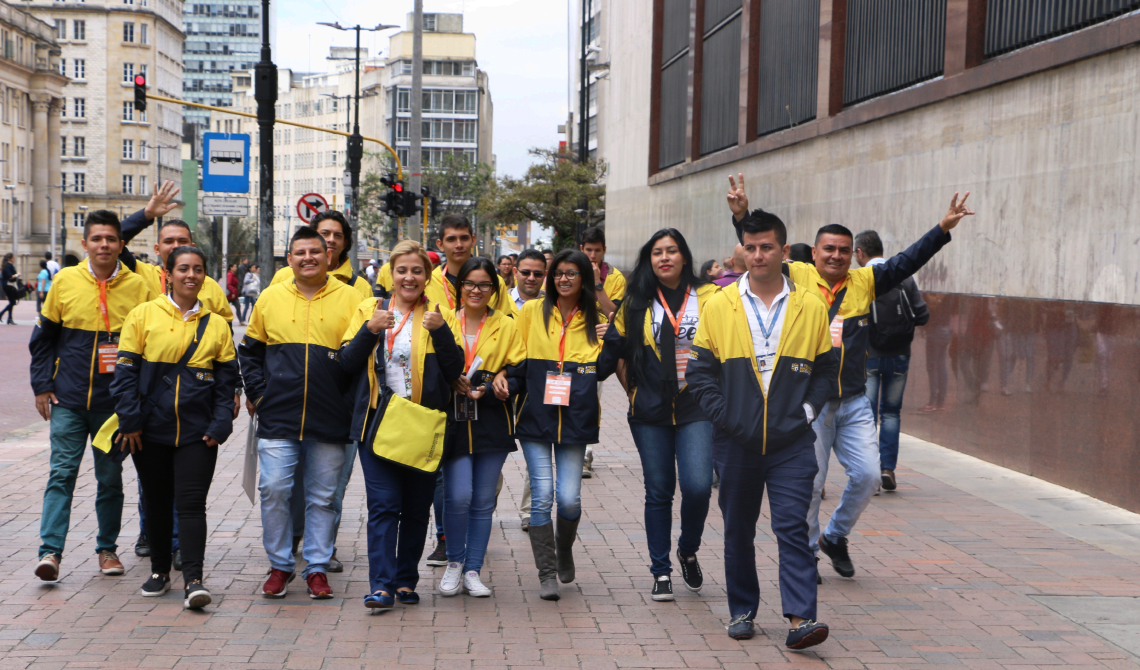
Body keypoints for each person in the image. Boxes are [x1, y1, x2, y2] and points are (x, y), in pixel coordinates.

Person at [726, 173, 975, 580]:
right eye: (828, 249)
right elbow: (760, 250)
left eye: (843, 250)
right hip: (812, 402)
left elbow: (907, 261)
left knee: (869, 477)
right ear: (816, 252)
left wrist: (942, 228)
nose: (836, 257)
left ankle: (835, 536)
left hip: (855, 400)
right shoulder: (799, 276)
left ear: (853, 253)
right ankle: (806, 553)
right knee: (811, 484)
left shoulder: (865, 281)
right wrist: (741, 216)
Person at [686, 208, 838, 647]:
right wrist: (727, 417)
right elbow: (699, 375)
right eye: (750, 248)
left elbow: (826, 371)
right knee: (739, 528)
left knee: (792, 527)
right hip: (736, 442)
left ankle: (800, 620)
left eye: (766, 247)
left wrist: (807, 413)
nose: (757, 255)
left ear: (784, 251)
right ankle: (742, 610)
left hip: (792, 442)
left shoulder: (811, 306)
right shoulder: (718, 305)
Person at [29, 210, 155, 581]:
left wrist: (136, 402)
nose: (104, 245)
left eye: (111, 239)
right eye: (97, 239)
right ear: (85, 244)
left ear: (121, 244)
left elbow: (146, 347)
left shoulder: (137, 287)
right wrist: (42, 385)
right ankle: (50, 552)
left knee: (110, 477)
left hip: (113, 406)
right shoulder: (65, 281)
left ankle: (107, 549)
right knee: (61, 474)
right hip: (67, 400)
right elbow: (44, 340)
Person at [338, 240, 463, 611]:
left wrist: (440, 332)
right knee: (383, 505)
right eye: (402, 270)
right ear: (390, 274)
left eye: (417, 271)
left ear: (427, 276)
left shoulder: (440, 313)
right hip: (377, 423)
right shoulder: (369, 308)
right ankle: (382, 585)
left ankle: (406, 580)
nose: (409, 277)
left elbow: (456, 372)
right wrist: (368, 330)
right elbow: (345, 364)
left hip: (421, 424)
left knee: (416, 506)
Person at [109, 246, 237, 608]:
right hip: (149, 431)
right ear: (168, 274)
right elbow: (124, 377)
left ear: (204, 276)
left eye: (198, 269)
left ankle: (194, 580)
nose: (191, 275)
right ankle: (159, 571)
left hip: (199, 434)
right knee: (157, 501)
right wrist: (131, 422)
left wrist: (220, 424)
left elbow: (227, 384)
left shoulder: (217, 325)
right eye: (183, 269)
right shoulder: (143, 315)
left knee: (193, 504)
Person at [239, 227, 361, 599]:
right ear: (289, 258)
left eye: (315, 251)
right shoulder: (270, 297)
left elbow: (358, 358)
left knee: (324, 497)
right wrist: (260, 394)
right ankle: (280, 564)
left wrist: (347, 403)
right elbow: (250, 352)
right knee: (273, 488)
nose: (308, 257)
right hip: (278, 416)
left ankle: (317, 567)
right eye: (299, 252)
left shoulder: (352, 298)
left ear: (329, 256)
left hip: (330, 418)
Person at [598, 229, 717, 602]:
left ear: (684, 257)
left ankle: (687, 548)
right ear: (649, 260)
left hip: (696, 404)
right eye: (656, 252)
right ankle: (661, 570)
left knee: (698, 486)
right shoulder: (636, 301)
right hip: (649, 409)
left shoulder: (711, 296)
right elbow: (610, 355)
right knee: (659, 491)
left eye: (672, 251)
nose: (664, 257)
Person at [269, 210, 370, 569]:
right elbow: (263, 341)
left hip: (334, 407)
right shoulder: (282, 280)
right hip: (285, 406)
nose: (328, 241)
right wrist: (259, 392)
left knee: (330, 486)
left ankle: (323, 550)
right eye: (322, 233)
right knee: (284, 484)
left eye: (335, 236)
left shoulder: (358, 288)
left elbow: (359, 349)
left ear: (342, 245)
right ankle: (293, 542)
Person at [423, 213, 517, 565]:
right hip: (446, 403)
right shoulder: (430, 282)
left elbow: (511, 338)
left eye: (464, 237)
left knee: (480, 494)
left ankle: (468, 557)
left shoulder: (499, 300)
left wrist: (502, 373)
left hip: (487, 408)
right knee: (448, 487)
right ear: (441, 244)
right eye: (451, 239)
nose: (458, 244)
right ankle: (446, 542)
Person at [514, 249, 607, 601]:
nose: (563, 280)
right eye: (558, 274)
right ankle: (547, 572)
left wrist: (609, 338)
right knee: (541, 497)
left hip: (576, 420)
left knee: (568, 499)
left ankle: (564, 547)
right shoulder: (531, 312)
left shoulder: (595, 320)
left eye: (571, 274)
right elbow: (516, 357)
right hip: (536, 417)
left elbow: (607, 366)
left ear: (584, 278)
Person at [439, 257, 526, 598]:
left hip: (491, 419)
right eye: (470, 284)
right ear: (460, 287)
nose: (476, 290)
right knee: (458, 496)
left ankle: (474, 569)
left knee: (482, 501)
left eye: (484, 285)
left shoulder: (506, 324)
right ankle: (454, 563)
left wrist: (498, 381)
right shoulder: (444, 321)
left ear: (494, 288)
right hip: (452, 420)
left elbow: (520, 368)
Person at [854, 230, 929, 492]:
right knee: (891, 413)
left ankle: (871, 472)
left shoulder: (862, 279)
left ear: (861, 253)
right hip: (900, 355)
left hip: (870, 357)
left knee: (866, 415)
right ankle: (888, 469)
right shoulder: (903, 278)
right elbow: (922, 315)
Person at [579, 226, 625, 478]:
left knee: (590, 394)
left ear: (604, 250)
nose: (593, 255)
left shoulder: (616, 277)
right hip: (573, 340)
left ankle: (584, 453)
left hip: (600, 345)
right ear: (581, 249)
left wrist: (597, 284)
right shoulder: (571, 271)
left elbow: (615, 312)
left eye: (597, 250)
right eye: (589, 250)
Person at [509, 249, 547, 531]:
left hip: (536, 388)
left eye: (537, 273)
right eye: (526, 272)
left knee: (537, 452)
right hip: (501, 386)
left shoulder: (552, 307)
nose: (531, 278)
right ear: (515, 272)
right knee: (490, 452)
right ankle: (484, 508)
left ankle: (530, 512)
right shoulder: (498, 303)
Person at [271, 210, 373, 302]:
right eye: (325, 233)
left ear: (345, 243)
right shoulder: (283, 276)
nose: (331, 240)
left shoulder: (360, 287)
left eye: (338, 235)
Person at [1, 253, 19, 325]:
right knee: (12, 302)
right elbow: (10, 276)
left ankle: (10, 319)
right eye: (13, 258)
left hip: (6, 286)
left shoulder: (5, 265)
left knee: (11, 302)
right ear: (9, 259)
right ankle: (2, 314)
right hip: (9, 286)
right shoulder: (8, 266)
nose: (14, 259)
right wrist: (17, 274)